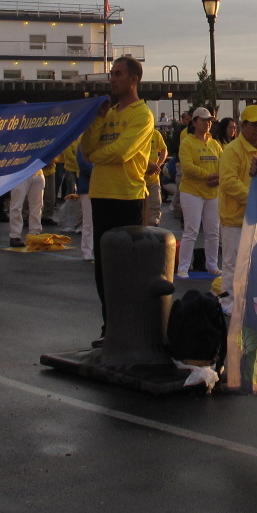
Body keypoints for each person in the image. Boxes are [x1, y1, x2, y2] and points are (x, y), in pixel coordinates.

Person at [79, 56, 155, 342]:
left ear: (133, 79)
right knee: (104, 269)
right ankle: (109, 327)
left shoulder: (142, 114)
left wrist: (94, 157)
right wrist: (97, 120)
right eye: (112, 73)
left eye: (118, 74)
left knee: (127, 269)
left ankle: (130, 330)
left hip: (127, 197)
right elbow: (86, 146)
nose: (112, 79)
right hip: (101, 195)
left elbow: (122, 151)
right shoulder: (107, 113)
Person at [217, 105, 257, 303]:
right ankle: (228, 303)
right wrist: (253, 199)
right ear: (243, 125)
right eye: (255, 125)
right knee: (232, 264)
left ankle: (250, 303)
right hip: (235, 218)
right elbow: (228, 182)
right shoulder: (232, 150)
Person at [176, 107, 223, 279]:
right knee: (191, 231)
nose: (208, 123)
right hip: (192, 192)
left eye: (209, 120)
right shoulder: (187, 143)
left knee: (213, 231)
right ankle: (183, 267)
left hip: (212, 192)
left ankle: (212, 265)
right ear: (194, 122)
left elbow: (224, 164)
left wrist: (218, 178)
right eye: (204, 120)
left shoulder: (215, 144)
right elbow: (188, 167)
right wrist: (209, 176)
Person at [141, 127, 168, 228]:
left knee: (155, 204)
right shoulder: (137, 132)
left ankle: (153, 227)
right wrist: (150, 164)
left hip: (153, 178)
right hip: (138, 178)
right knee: (140, 207)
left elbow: (164, 150)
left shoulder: (155, 134)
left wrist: (158, 165)